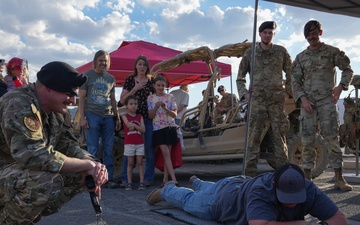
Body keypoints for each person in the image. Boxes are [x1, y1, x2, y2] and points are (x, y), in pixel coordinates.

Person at [0, 61, 108, 224]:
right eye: (69, 93)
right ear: (48, 87)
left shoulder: (55, 111)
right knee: (44, 182)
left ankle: (21, 217)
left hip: (14, 174)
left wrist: (93, 165)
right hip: (6, 170)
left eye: (75, 94)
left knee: (81, 174)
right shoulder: (18, 103)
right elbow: (33, 155)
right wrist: (85, 165)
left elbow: (68, 145)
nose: (73, 100)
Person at [146, 164, 348, 225]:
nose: (292, 205)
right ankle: (167, 190)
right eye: (286, 199)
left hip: (237, 184)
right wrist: (300, 224)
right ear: (274, 188)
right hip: (222, 202)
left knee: (209, 188)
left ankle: (198, 182)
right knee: (190, 202)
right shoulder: (263, 190)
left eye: (295, 199)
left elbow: (340, 219)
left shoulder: (309, 188)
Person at [292, 20, 353, 191]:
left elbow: (347, 69)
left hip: (328, 100)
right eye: (308, 35)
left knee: (332, 138)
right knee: (306, 139)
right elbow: (295, 81)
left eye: (314, 33)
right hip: (308, 102)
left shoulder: (332, 52)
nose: (311, 37)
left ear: (320, 32)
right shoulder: (300, 57)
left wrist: (341, 87)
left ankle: (339, 178)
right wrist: (303, 99)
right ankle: (306, 180)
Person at [236, 21, 292, 177]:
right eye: (265, 32)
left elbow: (291, 73)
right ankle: (249, 176)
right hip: (257, 101)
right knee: (253, 139)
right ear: (260, 34)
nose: (267, 35)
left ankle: (284, 174)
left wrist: (289, 92)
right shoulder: (250, 53)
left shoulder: (281, 52)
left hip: (276, 101)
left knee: (279, 138)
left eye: (270, 32)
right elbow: (240, 77)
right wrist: (244, 93)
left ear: (273, 34)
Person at [78, 50, 121, 189]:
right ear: (95, 60)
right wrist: (82, 118)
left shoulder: (111, 79)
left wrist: (117, 117)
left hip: (108, 116)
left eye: (106, 60)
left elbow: (113, 100)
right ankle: (92, 178)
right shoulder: (86, 76)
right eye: (101, 60)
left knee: (108, 148)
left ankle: (108, 178)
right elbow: (82, 98)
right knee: (93, 149)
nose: (103, 63)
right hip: (92, 115)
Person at [119, 55, 155, 187]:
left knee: (149, 148)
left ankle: (148, 178)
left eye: (144, 64)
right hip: (131, 118)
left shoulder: (151, 81)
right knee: (129, 148)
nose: (142, 67)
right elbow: (122, 100)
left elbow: (156, 98)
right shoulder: (130, 80)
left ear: (147, 67)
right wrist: (136, 88)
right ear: (136, 66)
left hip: (146, 118)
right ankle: (124, 179)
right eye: (139, 64)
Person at [147, 75, 178, 185]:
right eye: (158, 85)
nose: (160, 87)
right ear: (154, 86)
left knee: (167, 154)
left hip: (169, 127)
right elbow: (150, 116)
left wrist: (165, 108)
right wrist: (155, 107)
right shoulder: (150, 98)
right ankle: (173, 179)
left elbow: (174, 114)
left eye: (163, 86)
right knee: (165, 152)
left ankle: (165, 179)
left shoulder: (170, 97)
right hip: (158, 128)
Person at [121, 95, 146, 191]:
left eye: (135, 104)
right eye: (131, 104)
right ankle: (129, 182)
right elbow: (127, 124)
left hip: (139, 142)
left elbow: (143, 129)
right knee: (130, 162)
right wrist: (136, 126)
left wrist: (134, 125)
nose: (133, 106)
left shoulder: (140, 116)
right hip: (129, 143)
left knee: (140, 162)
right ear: (126, 106)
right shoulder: (125, 116)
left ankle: (142, 182)